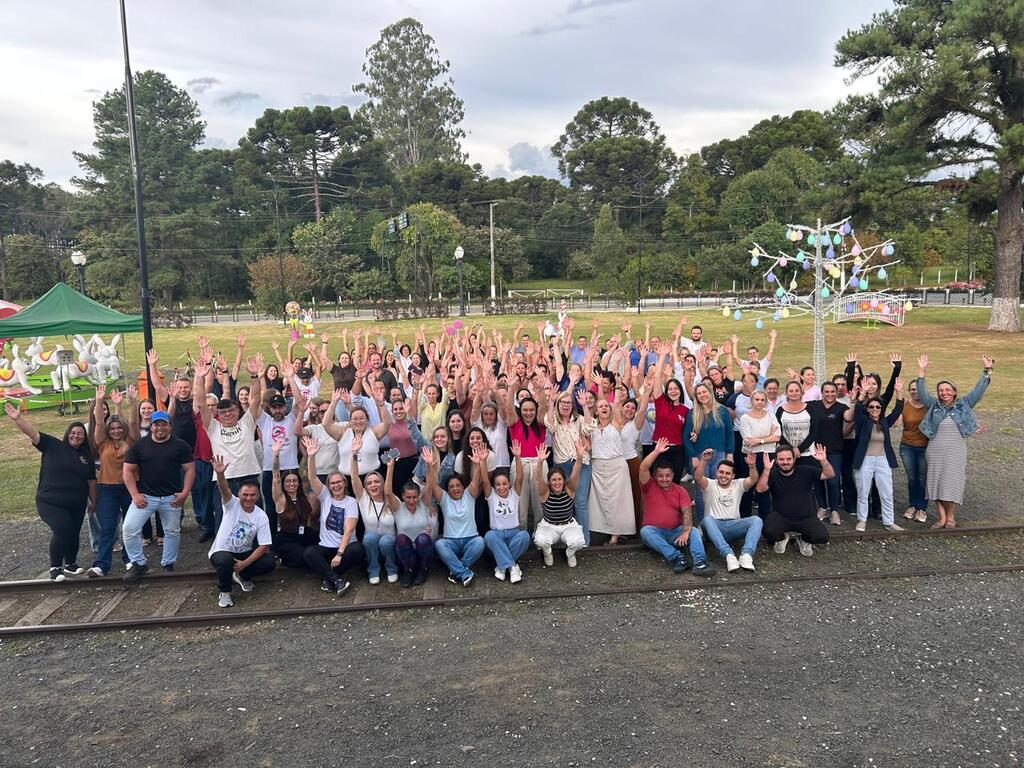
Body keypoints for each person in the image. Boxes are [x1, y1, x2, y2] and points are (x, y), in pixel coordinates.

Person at [6, 403, 96, 581]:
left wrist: (94, 502)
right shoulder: (52, 445)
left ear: (84, 438)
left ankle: (70, 564)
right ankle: (55, 567)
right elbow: (32, 433)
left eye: (80, 434)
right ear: (67, 434)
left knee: (74, 531)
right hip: (50, 501)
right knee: (63, 529)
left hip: (76, 502)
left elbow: (91, 481)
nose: (76, 435)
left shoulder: (86, 457)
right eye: (73, 432)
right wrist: (18, 419)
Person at [917, 354, 993, 529]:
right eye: (941, 390)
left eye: (947, 390)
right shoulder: (934, 405)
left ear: (954, 392)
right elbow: (922, 393)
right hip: (935, 449)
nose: (944, 393)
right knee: (935, 481)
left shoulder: (965, 403)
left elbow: (978, 391)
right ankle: (941, 518)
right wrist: (922, 371)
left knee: (952, 482)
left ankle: (951, 517)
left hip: (956, 449)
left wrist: (987, 371)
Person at [121, 410, 195, 581]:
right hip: (146, 497)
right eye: (156, 424)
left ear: (170, 426)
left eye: (164, 424)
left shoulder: (180, 445)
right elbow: (127, 471)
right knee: (129, 529)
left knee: (172, 531)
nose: (160, 428)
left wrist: (184, 493)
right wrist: (135, 494)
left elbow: (190, 469)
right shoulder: (139, 445)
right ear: (151, 426)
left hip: (171, 497)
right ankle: (138, 563)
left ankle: (168, 563)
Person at [637, 438, 716, 576]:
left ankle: (700, 562)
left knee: (694, 531)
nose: (664, 479)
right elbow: (643, 467)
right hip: (656, 533)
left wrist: (686, 531)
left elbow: (686, 512)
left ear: (673, 475)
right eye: (660, 476)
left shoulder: (680, 490)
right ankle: (676, 558)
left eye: (668, 475)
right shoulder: (648, 486)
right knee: (645, 532)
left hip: (676, 532)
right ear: (654, 476)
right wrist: (656, 452)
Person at [208, 455, 276, 608]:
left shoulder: (261, 515)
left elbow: (264, 545)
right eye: (245, 494)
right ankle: (225, 592)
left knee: (269, 562)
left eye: (252, 495)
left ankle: (242, 574)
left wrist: (245, 563)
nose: (248, 498)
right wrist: (220, 474)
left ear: (258, 496)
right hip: (222, 551)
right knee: (225, 560)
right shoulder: (231, 504)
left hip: (243, 553)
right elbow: (224, 489)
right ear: (238, 494)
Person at [303, 446, 364, 595]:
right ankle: (336, 580)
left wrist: (340, 554)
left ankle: (329, 578)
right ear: (329, 486)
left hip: (344, 547)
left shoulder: (350, 502)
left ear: (344, 483)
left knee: (358, 550)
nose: (336, 486)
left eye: (339, 482)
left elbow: (349, 530)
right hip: (326, 546)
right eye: (332, 483)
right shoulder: (325, 497)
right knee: (309, 553)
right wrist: (311, 457)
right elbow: (312, 477)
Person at [86, 385, 134, 577]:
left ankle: (130, 559)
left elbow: (133, 422)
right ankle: (101, 565)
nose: (115, 430)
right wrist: (99, 401)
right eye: (112, 428)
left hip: (128, 488)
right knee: (107, 528)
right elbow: (98, 422)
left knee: (129, 527)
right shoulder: (102, 442)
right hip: (106, 489)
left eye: (118, 428)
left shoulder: (129, 441)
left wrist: (127, 403)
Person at [423, 445, 485, 586]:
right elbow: (432, 486)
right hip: (451, 542)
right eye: (452, 486)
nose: (455, 488)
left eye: (458, 485)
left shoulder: (469, 496)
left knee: (481, 542)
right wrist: (429, 467)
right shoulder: (444, 499)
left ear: (463, 487)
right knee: (439, 544)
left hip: (470, 540)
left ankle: (456, 570)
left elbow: (475, 481)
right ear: (448, 489)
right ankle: (464, 573)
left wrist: (477, 464)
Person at [756, 444, 832, 556]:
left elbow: (829, 474)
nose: (785, 462)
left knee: (822, 536)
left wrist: (824, 460)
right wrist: (767, 469)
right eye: (781, 459)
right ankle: (782, 539)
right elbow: (760, 489)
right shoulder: (772, 474)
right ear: (776, 460)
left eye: (788, 459)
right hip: (781, 516)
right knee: (768, 531)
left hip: (806, 517)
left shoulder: (806, 471)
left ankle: (803, 540)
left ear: (794, 459)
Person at [851, 383, 906, 532]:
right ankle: (862, 520)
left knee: (887, 492)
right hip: (865, 460)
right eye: (872, 407)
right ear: (867, 409)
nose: (875, 409)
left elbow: (898, 410)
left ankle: (889, 522)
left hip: (883, 460)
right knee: (863, 491)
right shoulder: (863, 422)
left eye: (877, 407)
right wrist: (862, 394)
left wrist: (898, 392)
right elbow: (857, 411)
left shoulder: (885, 422)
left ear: (881, 410)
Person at [696, 449, 762, 571]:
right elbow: (698, 477)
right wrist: (704, 460)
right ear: (716, 473)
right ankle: (729, 555)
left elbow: (753, 479)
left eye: (727, 473)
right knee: (707, 519)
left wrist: (752, 466)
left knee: (756, 520)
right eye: (721, 472)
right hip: (713, 527)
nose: (724, 476)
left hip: (733, 526)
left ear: (733, 476)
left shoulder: (738, 484)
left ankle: (746, 555)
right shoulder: (710, 484)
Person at [544, 389, 594, 543]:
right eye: (562, 402)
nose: (565, 405)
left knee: (580, 502)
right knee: (566, 502)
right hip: (562, 466)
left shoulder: (578, 420)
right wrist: (551, 402)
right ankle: (567, 539)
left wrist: (584, 406)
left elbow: (589, 427)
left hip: (582, 463)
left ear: (573, 405)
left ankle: (584, 540)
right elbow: (549, 424)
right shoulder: (554, 420)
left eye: (568, 402)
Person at [256, 376, 304, 536]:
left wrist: (291, 378)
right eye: (274, 407)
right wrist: (256, 377)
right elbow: (254, 401)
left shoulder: (291, 418)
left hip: (290, 470)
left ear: (285, 407)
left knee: (293, 506)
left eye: (280, 407)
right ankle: (271, 543)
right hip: (270, 471)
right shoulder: (264, 421)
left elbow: (299, 401)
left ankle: (293, 537)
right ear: (270, 408)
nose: (277, 410)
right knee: (270, 508)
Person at [587, 397, 637, 544]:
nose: (604, 408)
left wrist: (617, 388)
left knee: (618, 501)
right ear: (595, 411)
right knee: (600, 501)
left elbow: (616, 405)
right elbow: (589, 448)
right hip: (598, 467)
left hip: (617, 466)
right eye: (600, 406)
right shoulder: (591, 428)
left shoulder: (616, 423)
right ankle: (602, 530)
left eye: (606, 406)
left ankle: (615, 534)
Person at [683, 381, 734, 524]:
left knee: (718, 488)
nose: (702, 395)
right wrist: (693, 456)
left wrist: (729, 454)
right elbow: (686, 437)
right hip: (700, 456)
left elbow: (729, 434)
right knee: (701, 490)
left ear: (710, 392)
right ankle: (702, 523)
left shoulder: (722, 411)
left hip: (719, 455)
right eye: (699, 393)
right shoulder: (693, 413)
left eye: (704, 392)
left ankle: (717, 521)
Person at [350, 434, 398, 585]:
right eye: (369, 483)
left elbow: (389, 491)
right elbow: (353, 477)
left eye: (377, 481)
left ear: (383, 484)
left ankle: (391, 568)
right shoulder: (364, 499)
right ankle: (373, 570)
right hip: (371, 545)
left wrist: (390, 468)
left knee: (385, 541)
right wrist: (354, 454)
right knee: (370, 537)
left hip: (389, 545)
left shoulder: (391, 499)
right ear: (366, 487)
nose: (373, 485)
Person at [480, 440, 531, 583]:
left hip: (513, 533)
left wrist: (517, 457)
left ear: (509, 484)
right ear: (494, 486)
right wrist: (483, 461)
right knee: (489, 536)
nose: (501, 487)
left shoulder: (514, 494)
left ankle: (502, 566)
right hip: (497, 536)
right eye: (498, 484)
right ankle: (513, 567)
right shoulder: (491, 496)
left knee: (525, 536)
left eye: (504, 484)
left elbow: (520, 477)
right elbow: (484, 481)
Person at [532, 443, 588, 568]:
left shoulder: (569, 489)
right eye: (554, 480)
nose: (557, 482)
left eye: (559, 479)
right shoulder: (544, 492)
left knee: (579, 541)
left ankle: (570, 553)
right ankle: (547, 552)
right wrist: (540, 462)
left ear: (564, 480)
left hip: (568, 525)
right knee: (539, 540)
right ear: (549, 482)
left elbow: (576, 473)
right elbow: (537, 480)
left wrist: (579, 458)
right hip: (549, 526)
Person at [809, 381, 854, 526]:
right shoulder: (813, 406)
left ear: (836, 393)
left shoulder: (841, 407)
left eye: (832, 392)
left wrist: (853, 401)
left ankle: (834, 510)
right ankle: (822, 507)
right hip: (816, 449)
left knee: (833, 481)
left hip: (835, 450)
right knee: (818, 480)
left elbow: (849, 417)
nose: (829, 394)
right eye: (826, 391)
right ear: (822, 392)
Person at [271, 438, 319, 569]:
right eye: (287, 481)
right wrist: (275, 455)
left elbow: (311, 476)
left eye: (294, 481)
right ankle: (282, 557)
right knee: (302, 558)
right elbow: (275, 479)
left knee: (321, 545)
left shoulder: (304, 498)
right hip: (287, 539)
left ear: (298, 483)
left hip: (303, 534)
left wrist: (311, 456)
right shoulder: (280, 499)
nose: (291, 484)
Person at [737, 389, 779, 518]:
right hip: (751, 456)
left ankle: (765, 519)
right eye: (757, 399)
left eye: (762, 400)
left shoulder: (771, 416)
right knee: (748, 488)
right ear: (751, 401)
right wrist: (768, 436)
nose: (759, 402)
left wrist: (760, 439)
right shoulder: (745, 418)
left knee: (764, 488)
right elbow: (749, 441)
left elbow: (777, 436)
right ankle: (745, 518)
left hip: (768, 455)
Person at [390, 477, 437, 588]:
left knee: (423, 538)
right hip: (406, 554)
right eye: (408, 497)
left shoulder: (423, 504)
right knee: (401, 538)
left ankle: (423, 569)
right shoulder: (398, 507)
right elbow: (387, 492)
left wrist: (429, 465)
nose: (411, 501)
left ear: (419, 496)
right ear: (402, 496)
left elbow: (430, 487)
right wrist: (390, 467)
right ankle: (408, 572)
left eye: (415, 497)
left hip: (423, 552)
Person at [899, 379, 930, 523]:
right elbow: (896, 421)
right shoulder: (905, 405)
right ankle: (912, 506)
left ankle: (922, 508)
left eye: (918, 389)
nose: (915, 392)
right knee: (912, 479)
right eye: (912, 389)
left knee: (923, 479)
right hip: (907, 446)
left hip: (925, 446)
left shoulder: (929, 406)